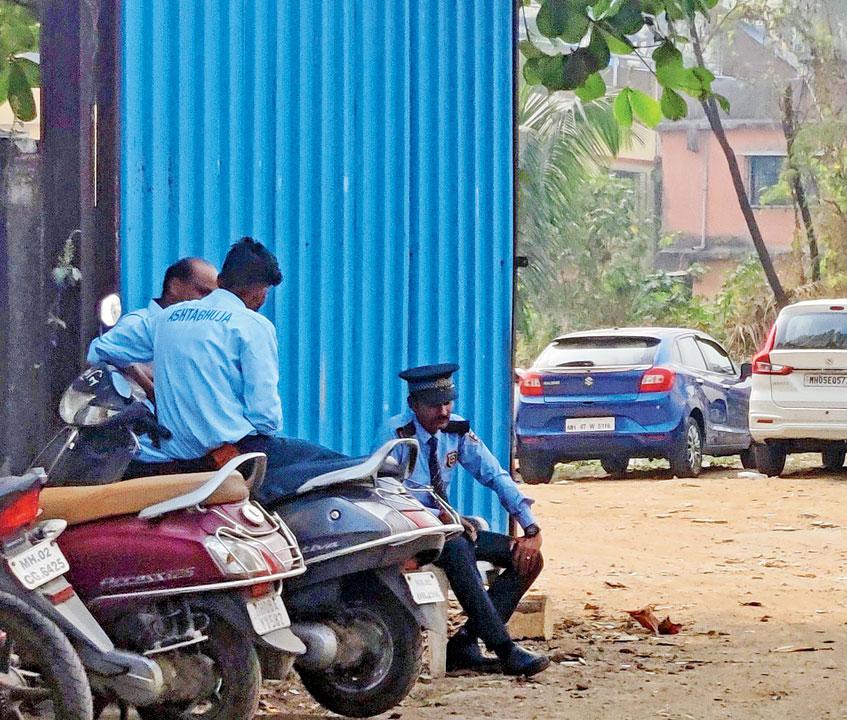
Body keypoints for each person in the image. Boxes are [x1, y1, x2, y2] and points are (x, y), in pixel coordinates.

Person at [86, 237, 350, 496]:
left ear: (221, 281)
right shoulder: (252, 326)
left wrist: (146, 382)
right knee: (336, 466)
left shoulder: (166, 318)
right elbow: (266, 418)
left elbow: (100, 350)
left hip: (173, 453)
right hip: (231, 456)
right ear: (261, 292)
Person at [384, 363, 550, 677]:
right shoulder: (397, 435)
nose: (443, 411)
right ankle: (505, 650)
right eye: (434, 405)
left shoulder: (456, 431)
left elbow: (496, 476)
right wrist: (442, 516)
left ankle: (465, 642)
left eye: (448, 402)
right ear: (413, 405)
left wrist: (530, 526)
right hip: (410, 535)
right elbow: (388, 493)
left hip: (448, 530)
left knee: (527, 559)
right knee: (458, 547)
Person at [89, 257, 219, 400]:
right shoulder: (139, 322)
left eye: (214, 295)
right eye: (203, 292)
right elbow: (97, 352)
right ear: (175, 286)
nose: (209, 301)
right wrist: (146, 382)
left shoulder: (201, 331)